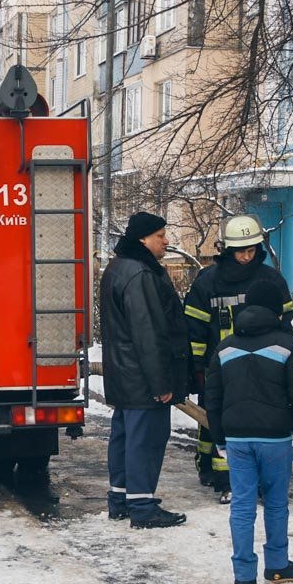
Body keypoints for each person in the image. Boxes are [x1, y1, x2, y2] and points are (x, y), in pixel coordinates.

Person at [204, 280, 293, 584]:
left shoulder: (224, 348)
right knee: (276, 502)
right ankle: (278, 566)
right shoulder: (287, 345)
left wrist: (220, 438)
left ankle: (243, 577)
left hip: (237, 438)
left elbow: (212, 397)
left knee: (241, 504)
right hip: (275, 438)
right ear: (274, 309)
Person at [184, 214, 293, 504]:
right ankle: (217, 473)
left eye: (251, 250)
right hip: (219, 368)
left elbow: (286, 326)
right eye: (240, 251)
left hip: (264, 367)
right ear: (228, 250)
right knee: (214, 419)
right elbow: (193, 330)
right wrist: (195, 367)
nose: (247, 256)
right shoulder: (208, 282)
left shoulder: (271, 280)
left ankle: (240, 479)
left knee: (250, 423)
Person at [99, 211, 191, 529]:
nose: (166, 241)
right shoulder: (140, 274)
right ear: (143, 239)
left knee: (125, 437)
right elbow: (148, 332)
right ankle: (142, 507)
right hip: (142, 377)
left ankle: (121, 499)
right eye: (160, 236)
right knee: (146, 440)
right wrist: (161, 382)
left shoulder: (118, 268)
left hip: (124, 374)